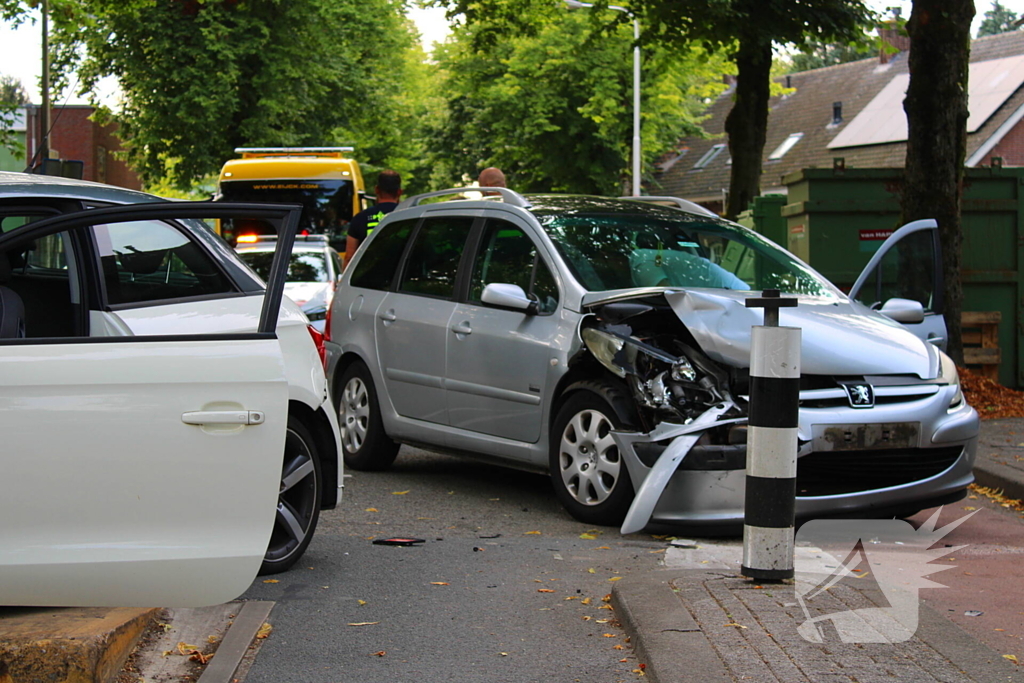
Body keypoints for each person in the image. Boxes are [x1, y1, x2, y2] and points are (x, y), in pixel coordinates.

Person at [345, 170, 401, 267]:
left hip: (367, 278)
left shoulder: (360, 218)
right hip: (400, 277)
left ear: (376, 190)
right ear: (399, 192)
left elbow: (350, 256)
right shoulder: (408, 216)